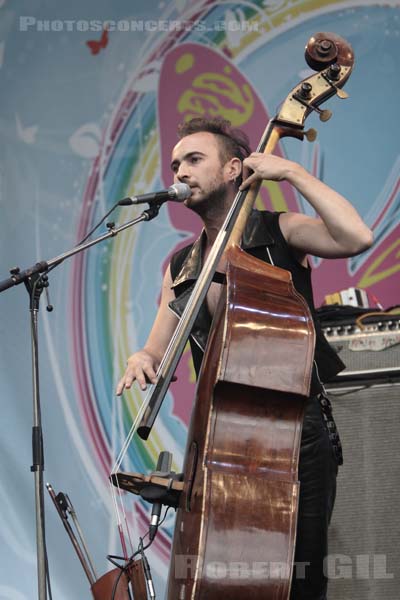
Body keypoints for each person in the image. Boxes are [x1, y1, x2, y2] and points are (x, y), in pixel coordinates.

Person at [116, 117, 373, 599]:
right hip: (222, 437)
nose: (180, 172)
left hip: (296, 432)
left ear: (235, 168)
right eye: (175, 164)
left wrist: (293, 175)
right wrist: (142, 357)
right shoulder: (180, 266)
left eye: (194, 159)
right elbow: (157, 344)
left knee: (300, 580)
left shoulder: (280, 231)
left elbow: (356, 237)